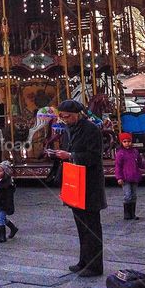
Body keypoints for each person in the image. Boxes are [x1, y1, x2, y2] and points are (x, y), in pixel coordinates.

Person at [51, 100, 106, 277]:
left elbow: (94, 156)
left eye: (67, 116)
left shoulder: (91, 130)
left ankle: (95, 265)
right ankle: (84, 260)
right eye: (62, 117)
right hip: (75, 183)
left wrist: (71, 156)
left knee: (92, 226)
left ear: (77, 114)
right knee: (81, 225)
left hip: (90, 184)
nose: (64, 120)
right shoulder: (69, 130)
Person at [115, 132, 145, 220]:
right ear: (122, 143)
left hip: (134, 177)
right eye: (125, 141)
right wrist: (119, 177)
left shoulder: (135, 152)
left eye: (129, 141)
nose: (127, 143)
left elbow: (140, 164)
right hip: (125, 178)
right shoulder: (120, 153)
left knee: (134, 195)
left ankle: (132, 213)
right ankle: (127, 214)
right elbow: (118, 167)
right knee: (127, 195)